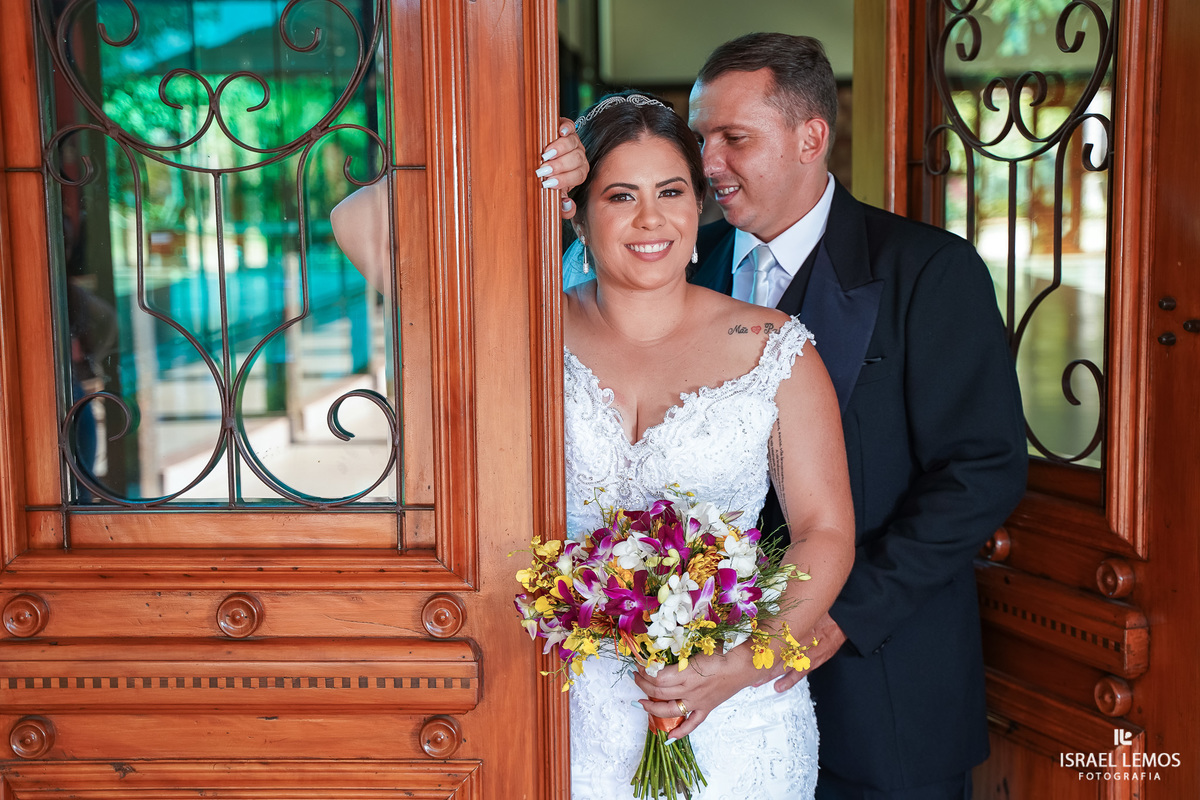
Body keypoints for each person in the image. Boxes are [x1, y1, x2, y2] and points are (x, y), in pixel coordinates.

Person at [540, 33, 1027, 800]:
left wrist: (829, 621)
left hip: (877, 678)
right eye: (701, 140)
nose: (706, 165)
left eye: (734, 139)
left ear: (811, 137)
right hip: (635, 693)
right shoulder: (666, 248)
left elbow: (982, 469)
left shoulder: (928, 271)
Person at [557, 90, 854, 799]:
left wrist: (740, 666)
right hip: (567, 712)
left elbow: (825, 530)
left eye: (672, 191)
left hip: (737, 721)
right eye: (620, 194)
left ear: (700, 207)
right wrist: (524, 173)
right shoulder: (526, 332)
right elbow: (364, 232)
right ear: (578, 211)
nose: (650, 219)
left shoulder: (772, 348)